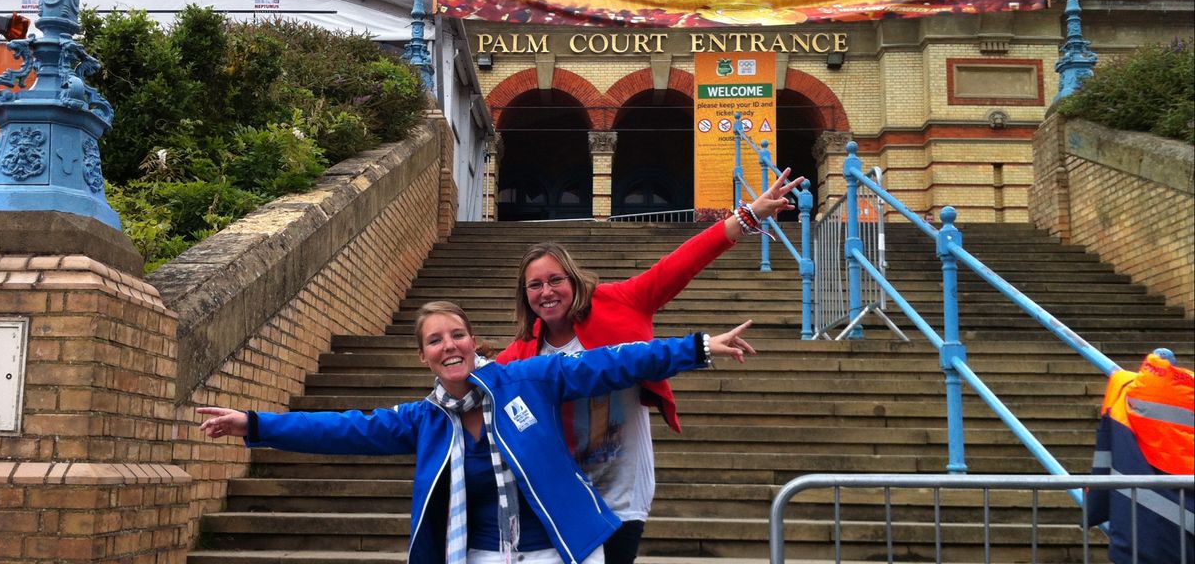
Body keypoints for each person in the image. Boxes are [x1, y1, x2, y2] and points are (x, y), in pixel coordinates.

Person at [197, 300, 758, 564]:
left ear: (474, 342)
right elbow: (346, 429)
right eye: (436, 340)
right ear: (423, 358)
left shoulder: (526, 379)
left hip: (557, 551)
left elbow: (610, 364)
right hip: (478, 555)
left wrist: (698, 347)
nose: (450, 346)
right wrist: (256, 423)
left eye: (458, 334)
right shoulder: (425, 420)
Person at [495, 167, 803, 564]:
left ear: (573, 281)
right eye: (535, 285)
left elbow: (680, 264)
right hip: (561, 494)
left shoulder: (620, 301)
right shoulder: (521, 351)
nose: (546, 291)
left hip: (622, 491)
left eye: (555, 280)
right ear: (525, 296)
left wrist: (748, 216)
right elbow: (482, 389)